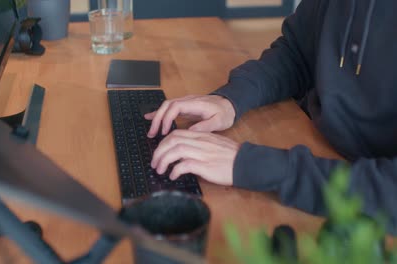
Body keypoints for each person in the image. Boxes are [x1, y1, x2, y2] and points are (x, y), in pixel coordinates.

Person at [145, 0, 397, 234]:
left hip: (364, 206)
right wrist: (231, 100)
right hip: (315, 149)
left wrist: (251, 164)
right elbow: (296, 54)